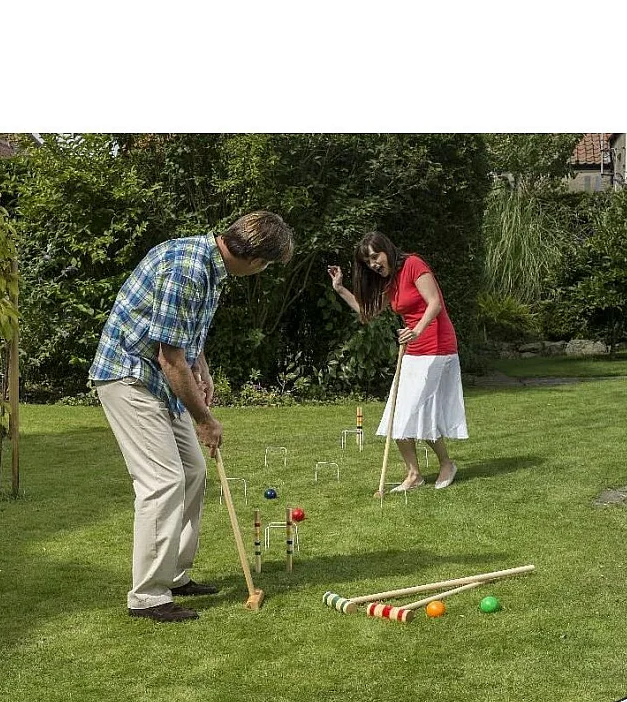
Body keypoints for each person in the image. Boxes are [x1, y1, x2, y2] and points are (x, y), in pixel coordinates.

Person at [89, 212, 295, 622]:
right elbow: (169, 358)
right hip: (130, 376)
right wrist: (204, 419)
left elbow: (184, 338)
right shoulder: (188, 270)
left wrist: (203, 370)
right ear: (255, 259)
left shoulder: (209, 266)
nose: (262, 272)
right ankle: (147, 596)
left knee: (194, 471)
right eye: (267, 265)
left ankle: (175, 574)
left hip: (159, 376)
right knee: (162, 481)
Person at [328, 230, 468, 492]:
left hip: (437, 346)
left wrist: (417, 330)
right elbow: (367, 313)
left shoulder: (414, 264)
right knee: (398, 413)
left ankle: (447, 464)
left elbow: (435, 303)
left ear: (387, 249)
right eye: (367, 261)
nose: (373, 264)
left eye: (374, 256)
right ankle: (414, 474)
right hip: (413, 350)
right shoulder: (390, 283)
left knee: (417, 411)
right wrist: (340, 289)